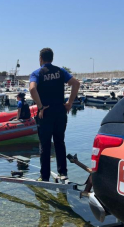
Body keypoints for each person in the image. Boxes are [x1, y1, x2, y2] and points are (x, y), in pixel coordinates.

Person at [29, 48, 80, 182]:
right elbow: (76, 83)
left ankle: (44, 176)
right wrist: (69, 103)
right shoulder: (60, 71)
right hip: (60, 112)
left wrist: (40, 106)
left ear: (40, 58)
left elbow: (32, 88)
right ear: (52, 58)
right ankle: (63, 173)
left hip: (45, 113)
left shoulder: (37, 73)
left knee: (45, 145)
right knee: (59, 142)